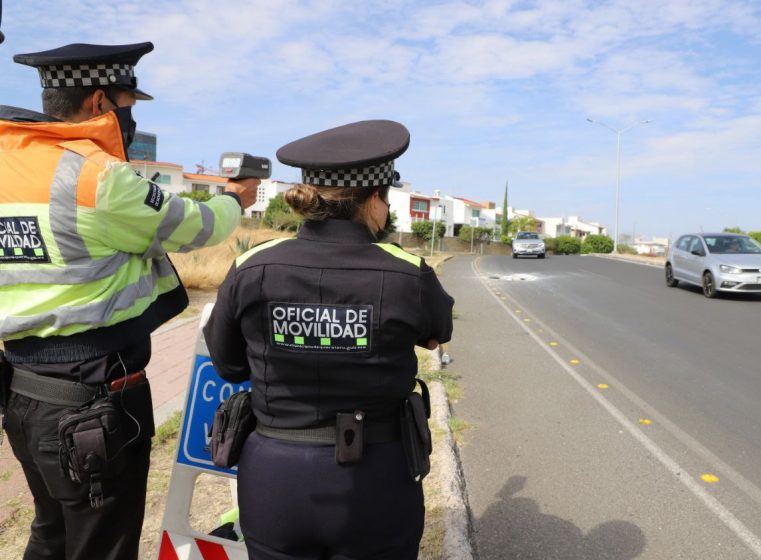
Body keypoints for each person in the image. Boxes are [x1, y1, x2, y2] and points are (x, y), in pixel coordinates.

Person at [0, 42, 258, 560]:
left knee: (51, 531)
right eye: (128, 104)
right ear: (99, 103)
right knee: (103, 545)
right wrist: (234, 198)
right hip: (95, 401)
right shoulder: (96, 177)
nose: (130, 117)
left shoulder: (9, 159)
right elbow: (196, 226)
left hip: (23, 395)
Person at [203, 119, 454, 559]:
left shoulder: (252, 265)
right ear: (373, 200)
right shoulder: (406, 272)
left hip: (273, 480)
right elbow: (437, 334)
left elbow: (227, 364)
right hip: (375, 479)